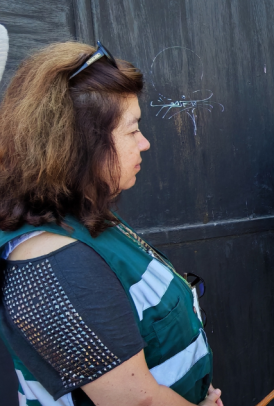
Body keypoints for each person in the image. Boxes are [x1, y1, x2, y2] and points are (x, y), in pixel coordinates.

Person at [0, 42, 223, 406]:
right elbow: (137, 401)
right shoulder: (57, 261)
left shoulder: (79, 215)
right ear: (81, 144)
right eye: (132, 130)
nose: (145, 143)